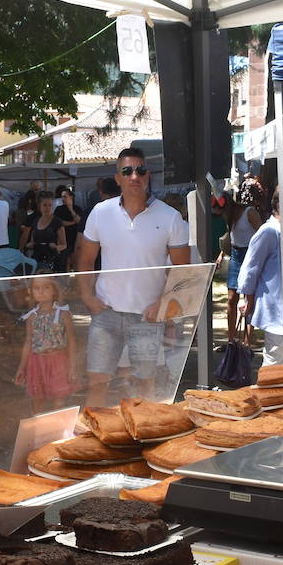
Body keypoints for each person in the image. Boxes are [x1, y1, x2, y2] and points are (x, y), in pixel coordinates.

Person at [76, 147, 191, 405]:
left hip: (146, 318)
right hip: (106, 315)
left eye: (140, 170)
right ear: (118, 178)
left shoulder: (170, 217)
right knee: (96, 384)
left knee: (144, 389)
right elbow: (84, 260)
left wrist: (162, 305)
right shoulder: (100, 213)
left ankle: (142, 441)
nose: (134, 176)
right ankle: (94, 441)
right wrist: (86, 296)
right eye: (127, 171)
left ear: (148, 176)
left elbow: (183, 271)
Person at [239, 181, 283, 364]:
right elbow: (250, 268)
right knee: (275, 365)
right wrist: (248, 298)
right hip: (278, 311)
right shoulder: (269, 231)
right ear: (280, 206)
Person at [14, 277, 77, 413]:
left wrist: (72, 366)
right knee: (37, 399)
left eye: (46, 287)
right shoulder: (31, 317)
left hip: (59, 361)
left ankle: (59, 430)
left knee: (59, 400)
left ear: (54, 290)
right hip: (36, 362)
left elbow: (71, 341)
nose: (41, 291)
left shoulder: (63, 314)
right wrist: (21, 367)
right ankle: (39, 430)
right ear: (31, 292)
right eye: (37, 288)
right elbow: (28, 342)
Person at [225, 178, 265, 341]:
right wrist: (222, 253)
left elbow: (263, 235)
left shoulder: (250, 212)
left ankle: (247, 340)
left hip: (249, 254)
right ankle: (231, 339)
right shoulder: (230, 214)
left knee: (249, 298)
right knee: (231, 297)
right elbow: (231, 236)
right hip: (235, 254)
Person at [20, 194, 65, 272]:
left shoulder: (57, 222)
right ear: (39, 206)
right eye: (45, 205)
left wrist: (56, 247)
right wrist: (29, 245)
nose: (47, 208)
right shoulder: (35, 221)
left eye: (50, 205)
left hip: (51, 260)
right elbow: (31, 242)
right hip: (36, 260)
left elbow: (64, 245)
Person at [54, 187, 80, 271]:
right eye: (62, 197)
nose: (63, 199)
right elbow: (60, 222)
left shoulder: (77, 209)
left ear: (71, 197)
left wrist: (71, 209)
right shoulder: (59, 209)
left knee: (74, 261)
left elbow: (79, 221)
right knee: (64, 262)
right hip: (64, 238)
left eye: (65, 196)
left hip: (75, 238)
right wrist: (73, 222)